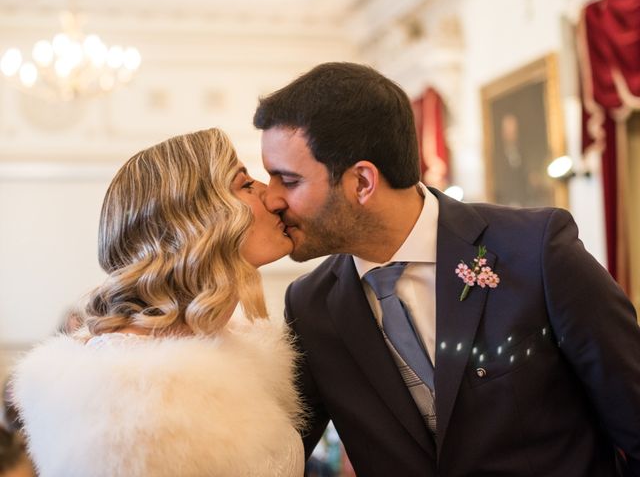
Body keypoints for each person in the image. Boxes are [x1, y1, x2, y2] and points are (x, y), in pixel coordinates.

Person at [253, 62, 640, 476]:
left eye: (288, 181)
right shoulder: (311, 305)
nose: (271, 198)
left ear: (362, 182)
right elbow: (273, 461)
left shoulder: (535, 250)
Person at [11, 128, 304, 477]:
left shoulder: (228, 348)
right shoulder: (125, 394)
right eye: (245, 185)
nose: (273, 198)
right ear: (197, 220)